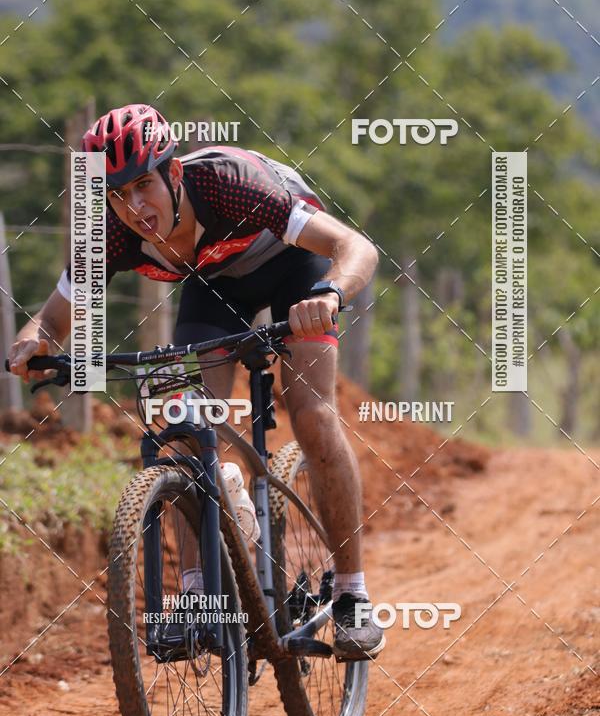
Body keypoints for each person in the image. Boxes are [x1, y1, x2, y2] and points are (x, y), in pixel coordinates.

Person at [8, 104, 384, 660]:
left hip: (295, 270)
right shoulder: (110, 231)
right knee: (184, 427)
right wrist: (31, 343)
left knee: (311, 411)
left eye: (142, 185)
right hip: (215, 288)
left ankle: (353, 595)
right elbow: (53, 317)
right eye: (116, 194)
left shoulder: (232, 186)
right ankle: (196, 596)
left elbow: (357, 249)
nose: (134, 207)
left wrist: (329, 296)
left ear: (174, 173)